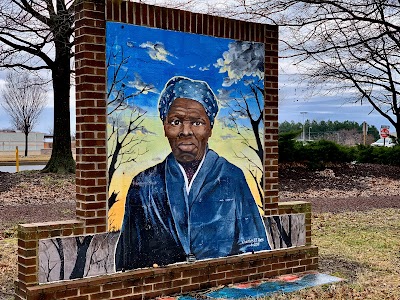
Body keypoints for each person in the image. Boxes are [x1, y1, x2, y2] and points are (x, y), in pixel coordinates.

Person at [115, 76, 270, 271]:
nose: (186, 131)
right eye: (176, 121)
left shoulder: (232, 177)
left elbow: (255, 250)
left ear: (210, 128)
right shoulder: (143, 184)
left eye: (197, 123)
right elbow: (128, 261)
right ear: (165, 126)